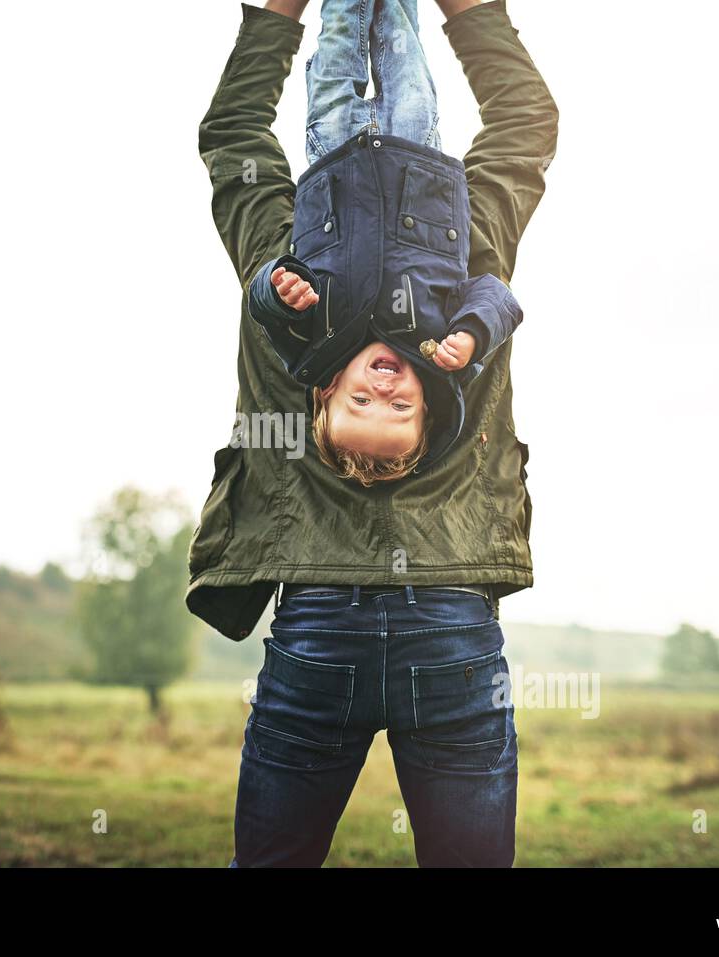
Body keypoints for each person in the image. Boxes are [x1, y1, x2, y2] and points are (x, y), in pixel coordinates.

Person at [192, 0, 558, 866]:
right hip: (453, 628)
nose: (387, 385)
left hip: (317, 627)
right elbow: (526, 125)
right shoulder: (470, 276)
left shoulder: (283, 292)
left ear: (317, 400)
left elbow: (237, 135)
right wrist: (470, 13)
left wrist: (275, 18)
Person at [245, 0, 525, 485]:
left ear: (329, 389)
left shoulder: (311, 349)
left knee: (337, 49)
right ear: (425, 399)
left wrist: (280, 289)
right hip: (418, 170)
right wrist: (474, 335)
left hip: (334, 164)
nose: (382, 386)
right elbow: (496, 296)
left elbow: (262, 304)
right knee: (403, 49)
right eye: (399, 405)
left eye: (360, 401)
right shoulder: (444, 350)